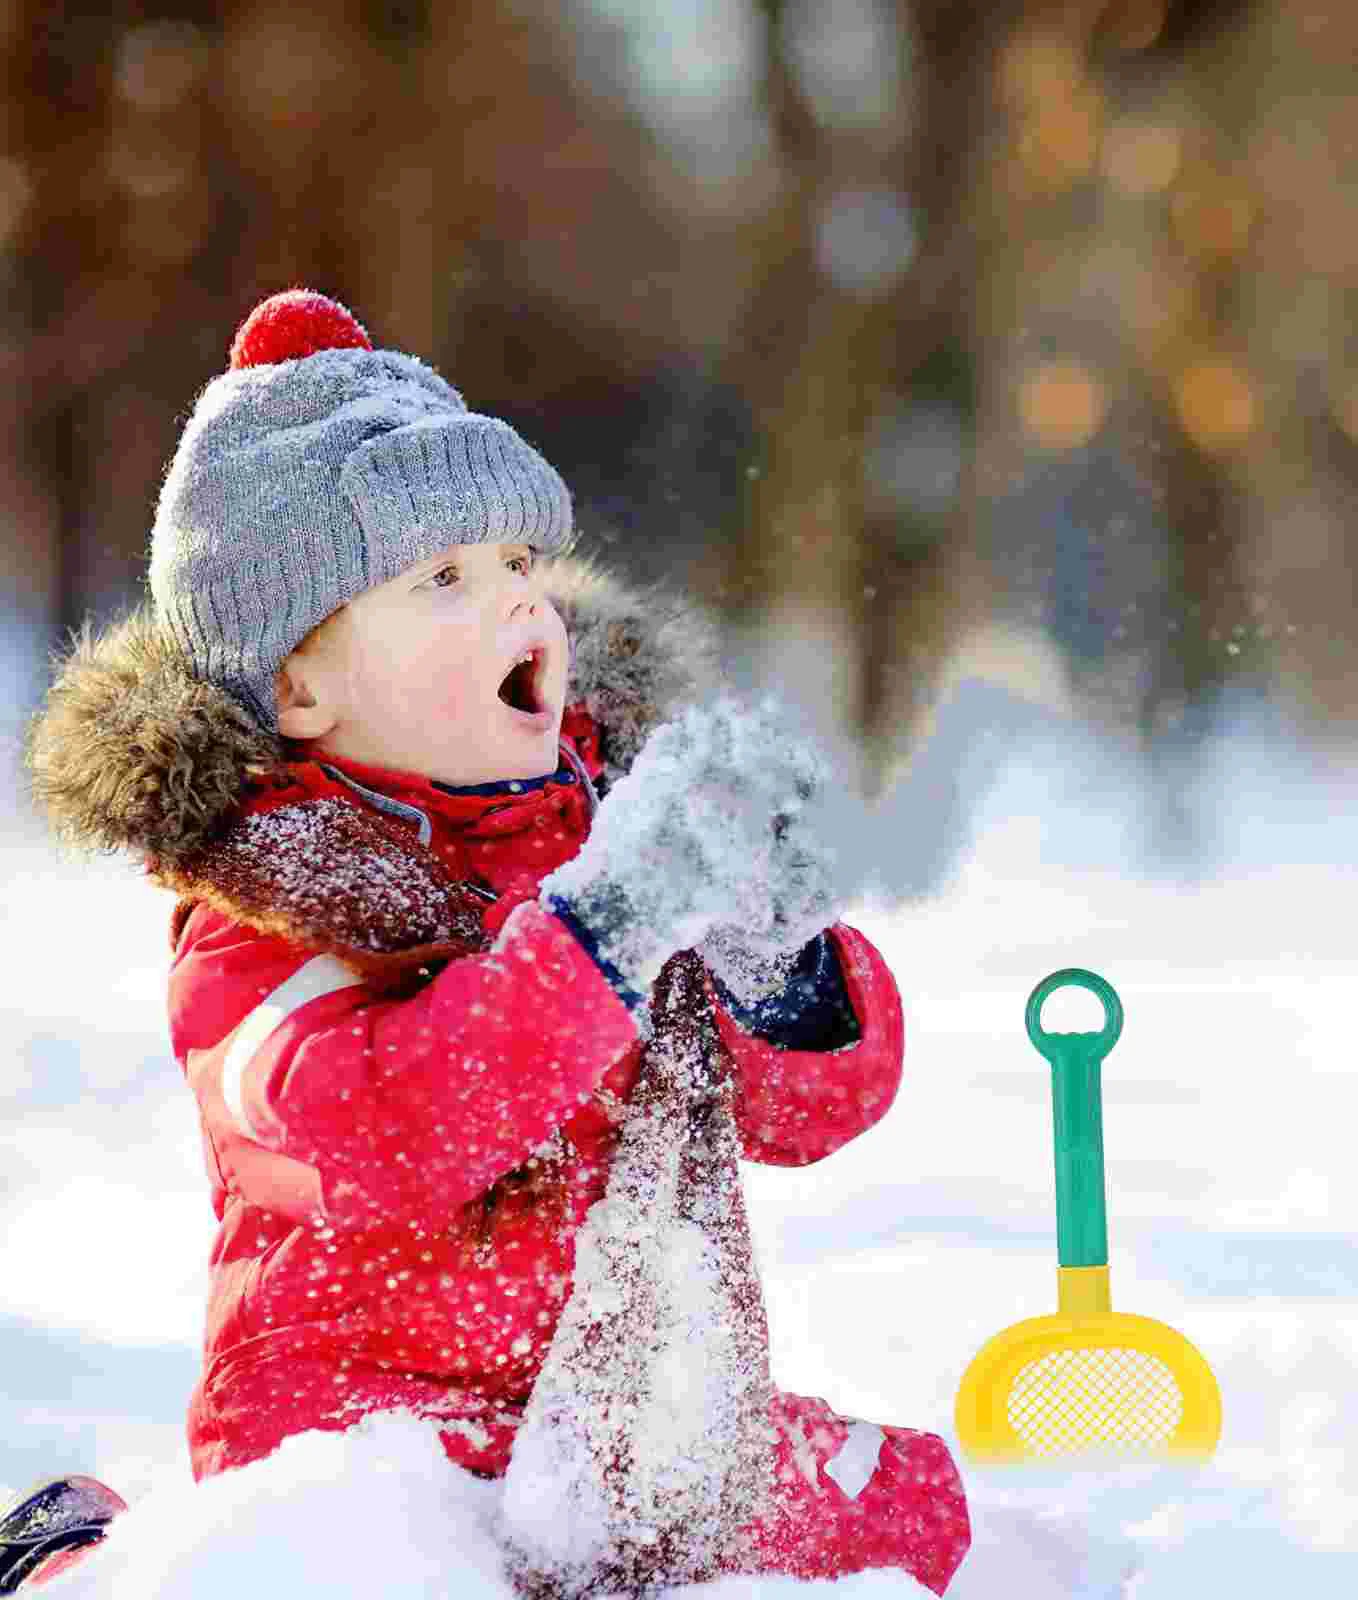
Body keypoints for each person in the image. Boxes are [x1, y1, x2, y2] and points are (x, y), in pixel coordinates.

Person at [22, 290, 971, 1596]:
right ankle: (93, 1562)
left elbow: (813, 1110)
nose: (519, 604)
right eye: (445, 579)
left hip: (621, 1435)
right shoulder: (252, 914)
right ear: (299, 685)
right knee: (360, 1577)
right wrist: (609, 932)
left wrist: (775, 949)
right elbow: (392, 1127)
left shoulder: (612, 824)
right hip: (367, 1440)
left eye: (521, 563)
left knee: (917, 1518)